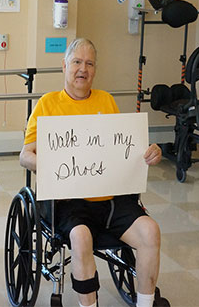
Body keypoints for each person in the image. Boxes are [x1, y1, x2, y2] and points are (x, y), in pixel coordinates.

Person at [19, 38, 169, 307]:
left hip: (110, 199)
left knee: (151, 231)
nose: (82, 69)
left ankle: (145, 303)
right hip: (67, 202)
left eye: (89, 64)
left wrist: (149, 152)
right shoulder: (48, 104)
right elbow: (25, 155)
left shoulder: (106, 100)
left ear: (95, 70)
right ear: (64, 66)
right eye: (76, 62)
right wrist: (53, 163)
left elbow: (123, 148)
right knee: (80, 236)